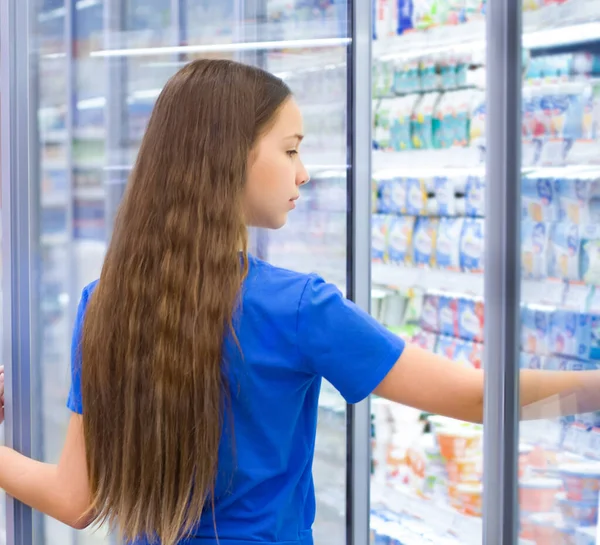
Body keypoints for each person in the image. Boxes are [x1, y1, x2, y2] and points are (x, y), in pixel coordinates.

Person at [0, 59, 597, 545]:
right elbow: (477, 398)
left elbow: (76, 502)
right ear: (232, 156)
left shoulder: (106, 305)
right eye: (290, 151)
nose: (303, 174)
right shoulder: (299, 308)